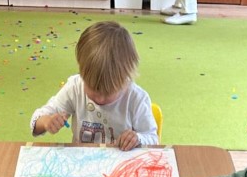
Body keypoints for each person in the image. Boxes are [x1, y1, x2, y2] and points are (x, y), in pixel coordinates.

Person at [30, 22, 158, 150]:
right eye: (93, 89)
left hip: (123, 161)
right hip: (81, 159)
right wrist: (46, 122)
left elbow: (153, 139)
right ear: (82, 73)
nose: (100, 99)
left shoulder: (136, 98)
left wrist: (137, 138)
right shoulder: (75, 88)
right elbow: (36, 121)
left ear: (125, 79)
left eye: (108, 93)